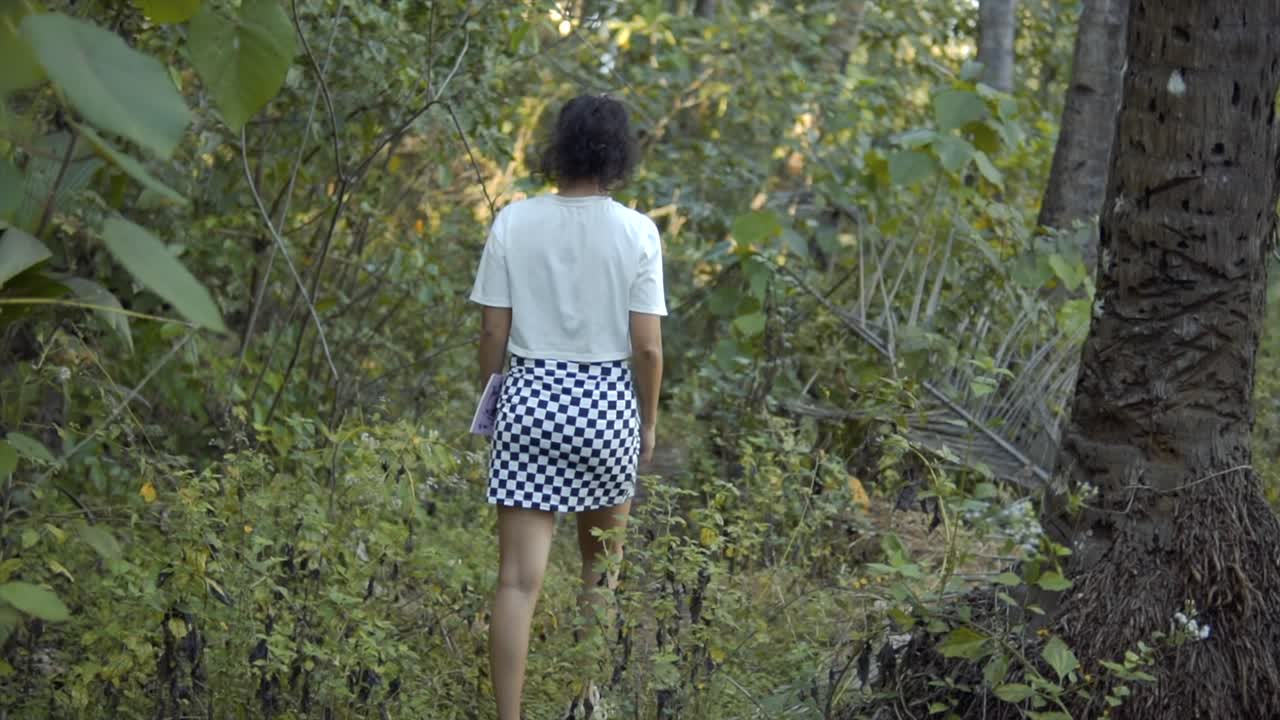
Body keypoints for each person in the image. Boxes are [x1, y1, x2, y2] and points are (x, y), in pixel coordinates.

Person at [469, 94, 667, 720]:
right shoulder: (638, 231)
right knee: (599, 575)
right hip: (607, 404)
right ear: (618, 155)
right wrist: (648, 424)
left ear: (558, 148)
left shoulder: (514, 221)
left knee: (517, 582)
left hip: (529, 397)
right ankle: (587, 701)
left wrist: (494, 399)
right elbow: (648, 349)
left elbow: (492, 335)